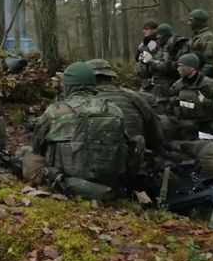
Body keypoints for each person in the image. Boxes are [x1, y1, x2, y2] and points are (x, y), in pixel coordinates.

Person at [31, 62, 142, 200]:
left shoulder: (55, 111)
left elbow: (36, 146)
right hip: (111, 185)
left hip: (69, 182)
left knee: (29, 157)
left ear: (68, 86)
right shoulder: (114, 110)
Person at [87, 59, 164, 152]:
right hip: (134, 157)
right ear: (111, 77)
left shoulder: (81, 100)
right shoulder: (133, 96)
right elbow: (155, 134)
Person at [168, 53, 213, 139]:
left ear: (192, 67)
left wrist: (205, 102)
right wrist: (177, 102)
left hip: (205, 127)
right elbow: (170, 100)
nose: (178, 69)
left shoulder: (209, 84)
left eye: (181, 66)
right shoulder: (178, 84)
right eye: (178, 66)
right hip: (184, 126)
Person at [141, 23, 190, 100]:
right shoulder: (155, 44)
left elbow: (166, 66)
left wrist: (151, 62)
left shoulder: (174, 45)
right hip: (154, 83)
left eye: (159, 36)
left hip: (169, 83)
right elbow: (144, 53)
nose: (157, 37)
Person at [187, 9, 213, 79]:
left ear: (199, 22)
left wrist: (197, 77)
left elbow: (212, 64)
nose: (189, 23)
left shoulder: (208, 37)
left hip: (203, 78)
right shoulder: (197, 36)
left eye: (191, 20)